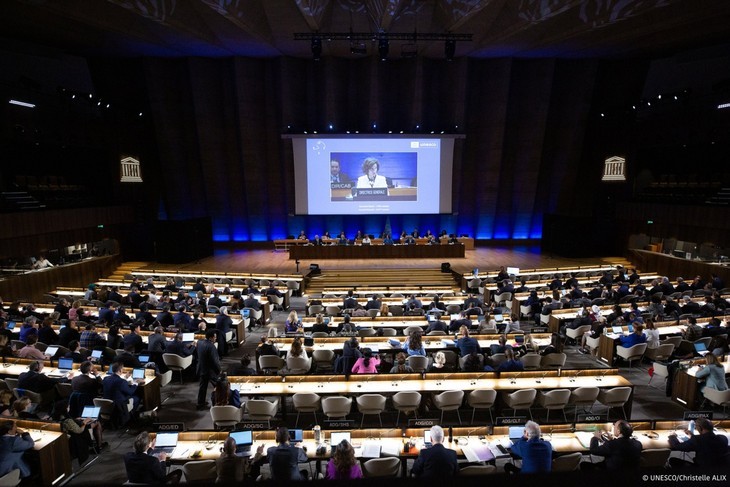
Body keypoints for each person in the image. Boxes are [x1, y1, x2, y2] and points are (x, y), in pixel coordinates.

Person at [196, 329, 221, 410]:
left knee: (202, 387)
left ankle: (200, 403)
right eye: (215, 337)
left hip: (201, 368)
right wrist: (219, 370)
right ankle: (220, 402)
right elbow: (215, 361)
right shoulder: (211, 347)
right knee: (219, 386)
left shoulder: (200, 342)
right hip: (210, 370)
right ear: (211, 338)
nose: (216, 339)